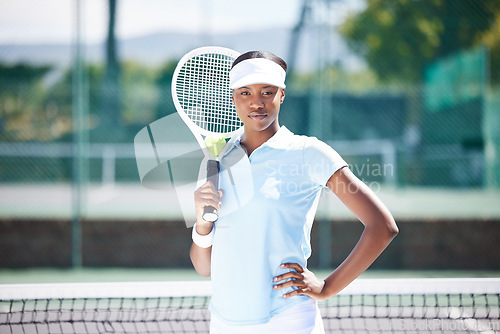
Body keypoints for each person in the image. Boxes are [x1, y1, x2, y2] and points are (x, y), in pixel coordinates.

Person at [190, 50, 399, 334]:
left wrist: (327, 287)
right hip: (225, 322)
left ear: (282, 94)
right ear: (233, 98)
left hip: (288, 320)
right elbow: (204, 268)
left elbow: (382, 226)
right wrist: (202, 225)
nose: (257, 102)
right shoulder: (216, 162)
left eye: (267, 92)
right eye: (245, 93)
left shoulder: (309, 152)